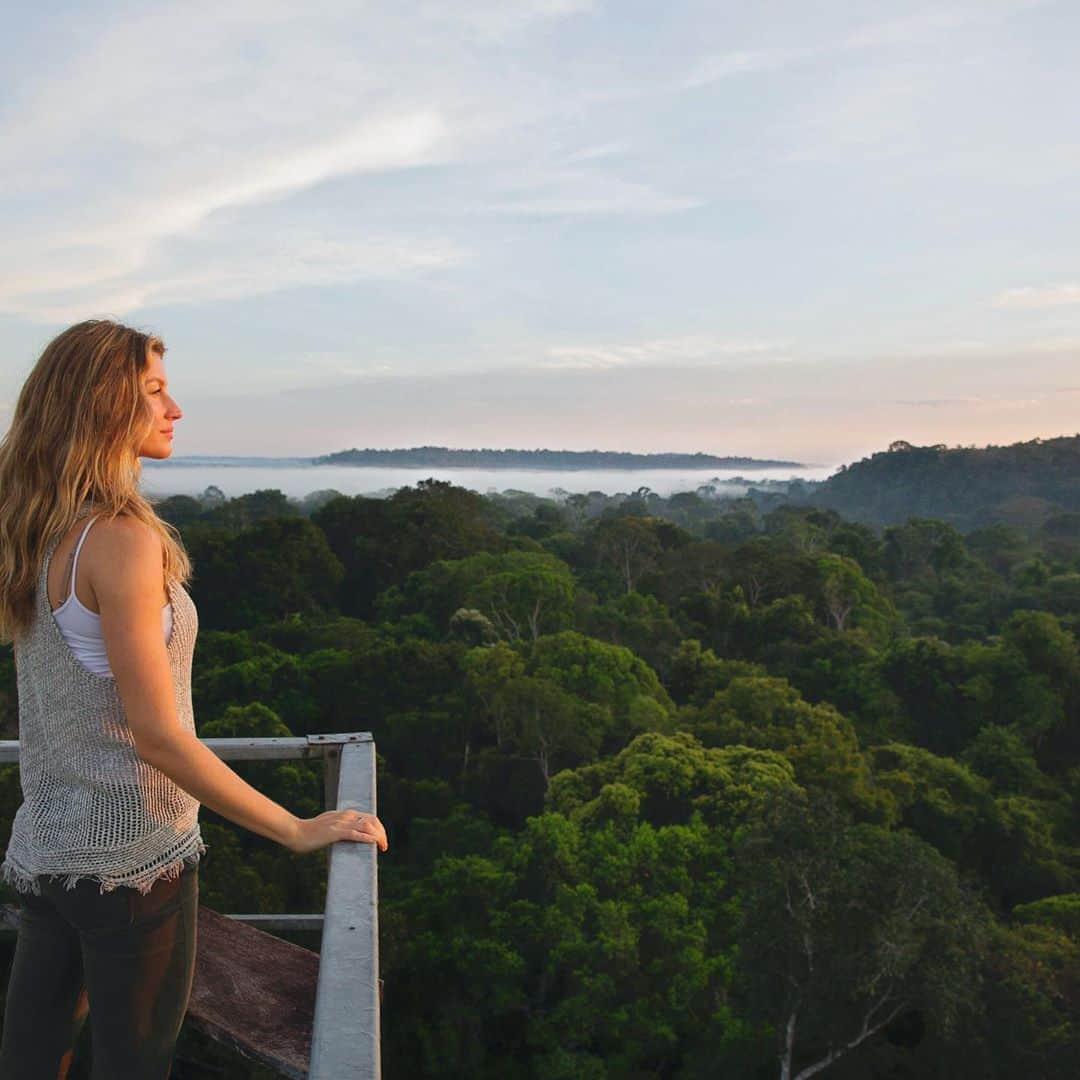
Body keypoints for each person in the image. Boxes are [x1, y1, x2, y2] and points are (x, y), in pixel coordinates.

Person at [0, 320, 388, 1079]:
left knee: (31, 1059)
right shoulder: (118, 539)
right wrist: (295, 828)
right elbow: (158, 734)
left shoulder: (39, 532)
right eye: (153, 391)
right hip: (135, 861)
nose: (174, 409)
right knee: (134, 1066)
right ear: (103, 405)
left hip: (49, 854)